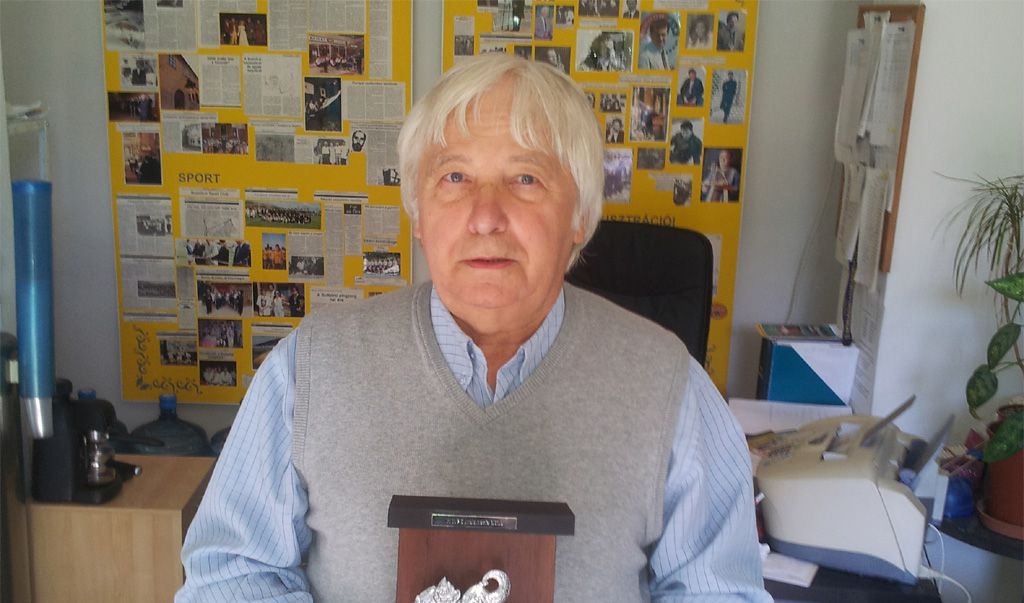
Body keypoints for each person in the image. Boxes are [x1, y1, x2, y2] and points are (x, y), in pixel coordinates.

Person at [178, 53, 768, 602]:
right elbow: (229, 573)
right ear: (418, 212)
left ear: (581, 215)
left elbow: (720, 592)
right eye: (455, 178)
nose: (486, 217)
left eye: (526, 179)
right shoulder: (310, 370)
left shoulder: (668, 386)